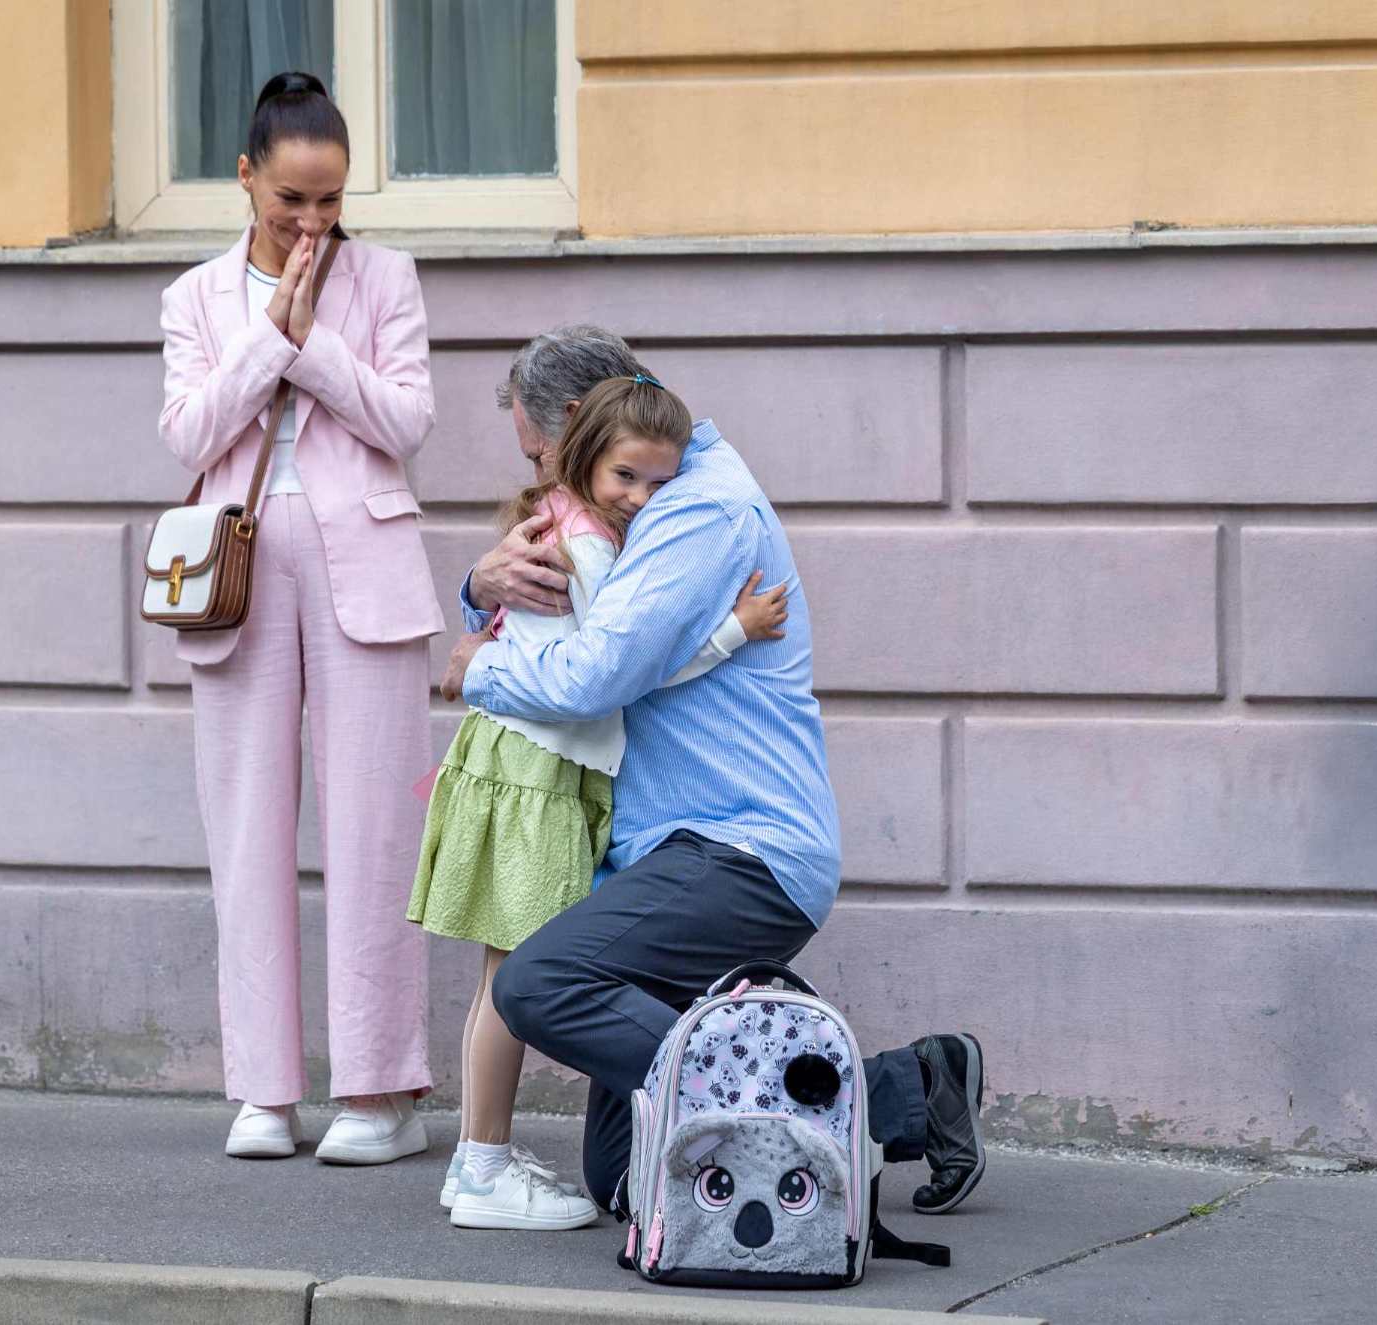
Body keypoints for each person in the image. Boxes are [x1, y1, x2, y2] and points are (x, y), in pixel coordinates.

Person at [444, 326, 988, 1218]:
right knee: (623, 1178)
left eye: (540, 455)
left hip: (739, 852)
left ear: (578, 420)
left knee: (537, 983)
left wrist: (477, 667)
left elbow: (594, 677)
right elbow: (572, 629)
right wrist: (479, 587)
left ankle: (865, 1099)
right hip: (672, 855)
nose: (544, 478)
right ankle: (908, 1084)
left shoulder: (693, 512)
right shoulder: (640, 503)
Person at [409, 374, 788, 1231]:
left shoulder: (565, 521)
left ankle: (477, 1160)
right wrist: (732, 632)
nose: (642, 497)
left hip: (533, 762)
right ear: (582, 449)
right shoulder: (586, 547)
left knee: (504, 968)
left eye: (657, 481)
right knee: (514, 972)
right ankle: (483, 1166)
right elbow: (614, 674)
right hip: (538, 770)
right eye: (626, 476)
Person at [157, 71, 439, 1165]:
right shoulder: (193, 296)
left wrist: (312, 341)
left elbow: (404, 421)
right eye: (290, 200)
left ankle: (380, 1089)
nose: (312, 222)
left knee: (376, 832)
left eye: (330, 199)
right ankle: (263, 1091)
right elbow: (190, 435)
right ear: (246, 178)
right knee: (246, 830)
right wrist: (269, 335)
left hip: (364, 556)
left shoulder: (387, 278)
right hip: (235, 565)